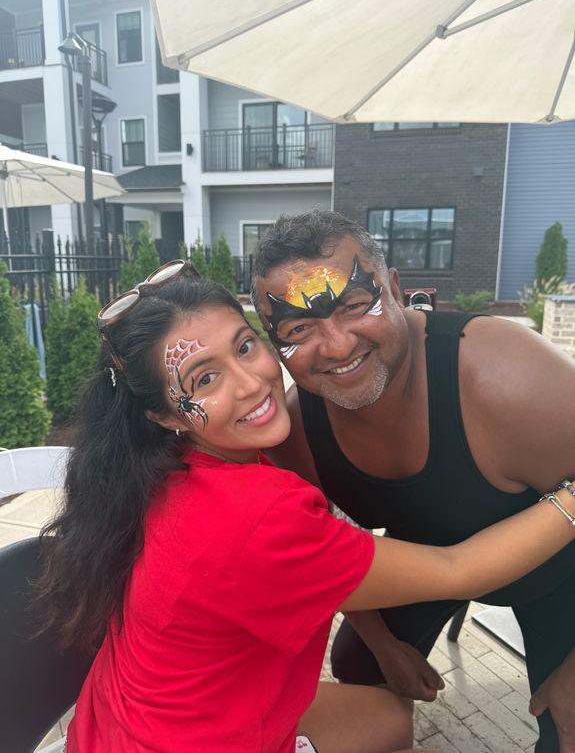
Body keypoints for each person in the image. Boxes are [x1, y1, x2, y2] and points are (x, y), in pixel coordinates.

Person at [36, 261, 575, 753]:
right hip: (197, 740)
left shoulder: (156, 469)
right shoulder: (257, 517)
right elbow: (460, 569)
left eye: (245, 347)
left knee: (387, 718)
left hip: (123, 725)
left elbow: (328, 567)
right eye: (205, 378)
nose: (251, 383)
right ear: (165, 416)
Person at [251, 210, 575, 753]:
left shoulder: (506, 377)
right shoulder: (297, 431)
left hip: (561, 576)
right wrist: (383, 646)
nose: (336, 346)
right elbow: (322, 553)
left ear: (395, 289)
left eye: (355, 305)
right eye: (298, 329)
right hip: (431, 566)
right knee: (357, 663)